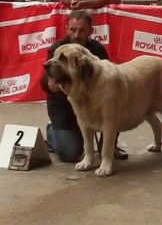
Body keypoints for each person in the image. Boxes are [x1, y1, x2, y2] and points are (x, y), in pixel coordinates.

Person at [41, 10, 128, 162]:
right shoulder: (58, 49)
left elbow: (112, 83)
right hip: (65, 112)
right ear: (66, 28)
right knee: (70, 153)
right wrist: (57, 82)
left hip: (94, 106)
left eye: (81, 30)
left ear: (91, 30)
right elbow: (45, 84)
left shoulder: (97, 50)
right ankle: (52, 129)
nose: (76, 35)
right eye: (72, 30)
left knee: (106, 146)